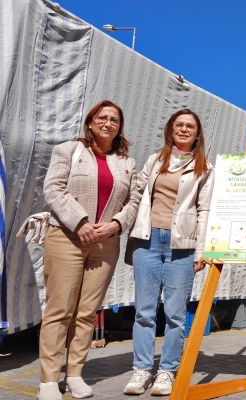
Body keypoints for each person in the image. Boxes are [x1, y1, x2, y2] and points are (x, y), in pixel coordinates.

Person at [39, 100, 140, 400]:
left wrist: (116, 225)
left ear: (119, 128)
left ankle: (74, 375)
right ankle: (47, 380)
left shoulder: (127, 163)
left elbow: (134, 202)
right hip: (67, 236)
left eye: (115, 120)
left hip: (105, 242)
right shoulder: (69, 150)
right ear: (91, 122)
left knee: (86, 313)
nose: (108, 123)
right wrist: (80, 221)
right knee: (60, 310)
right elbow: (53, 188)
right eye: (102, 117)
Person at [123, 109, 214, 396]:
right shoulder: (155, 160)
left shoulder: (205, 168)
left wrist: (201, 251)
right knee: (144, 313)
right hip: (147, 242)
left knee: (175, 315)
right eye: (179, 125)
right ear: (171, 130)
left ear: (197, 134)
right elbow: (136, 194)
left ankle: (167, 371)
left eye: (190, 126)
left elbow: (204, 210)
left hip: (182, 247)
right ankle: (141, 370)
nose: (184, 129)